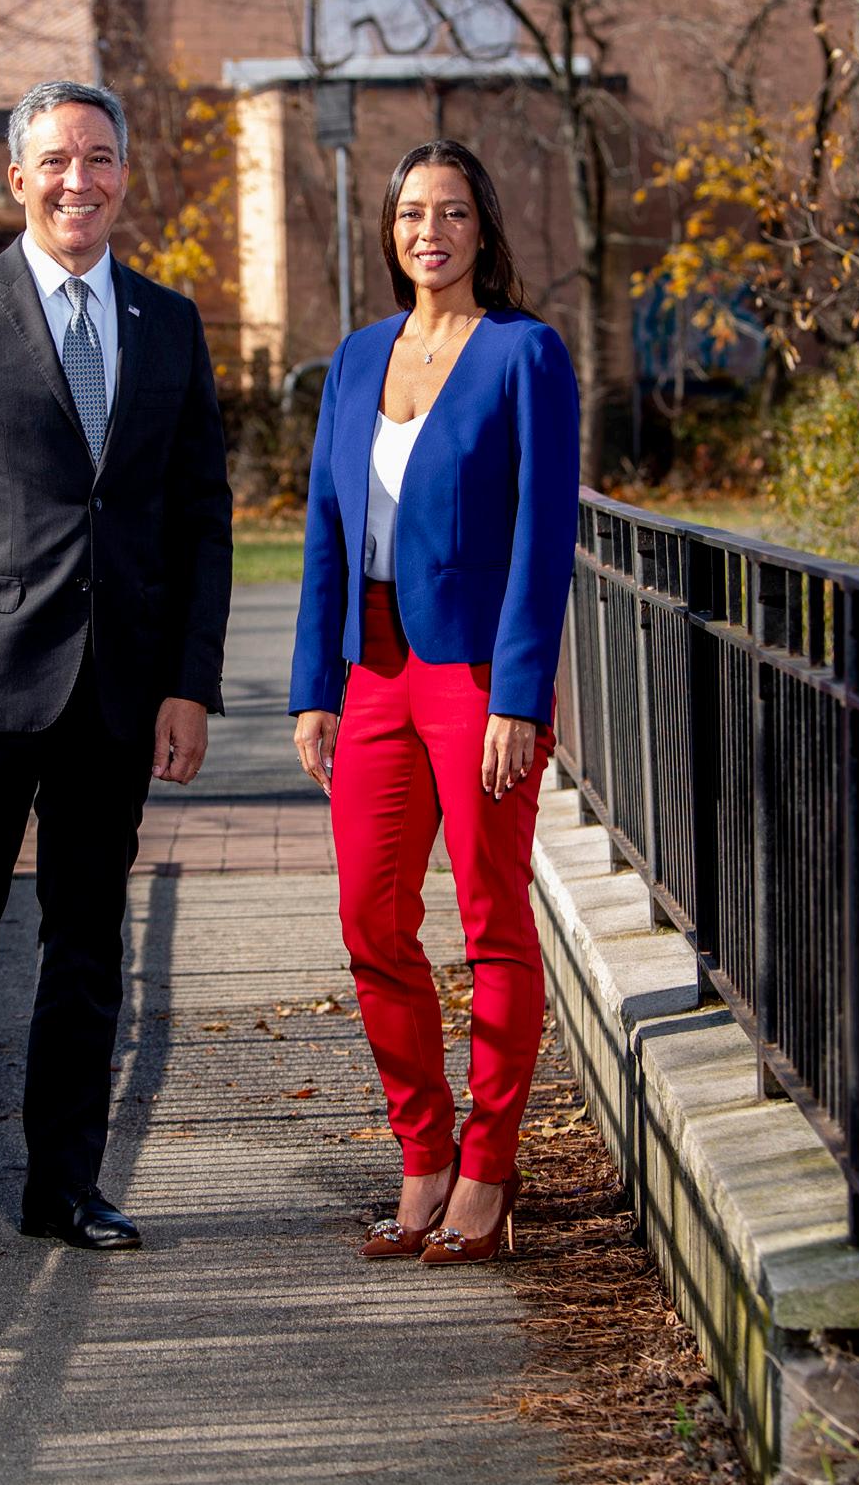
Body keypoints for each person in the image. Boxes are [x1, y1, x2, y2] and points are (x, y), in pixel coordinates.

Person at [0, 79, 233, 1263]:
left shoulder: (169, 322)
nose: (80, 178)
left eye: (100, 157)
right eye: (56, 159)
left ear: (126, 173)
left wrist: (190, 682)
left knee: (86, 946)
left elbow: (199, 518)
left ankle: (64, 1188)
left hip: (121, 692)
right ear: (17, 179)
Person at [289, 140, 579, 1264]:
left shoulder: (523, 354)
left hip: (470, 676)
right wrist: (316, 682)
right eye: (413, 213)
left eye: (453, 212)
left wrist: (519, 692)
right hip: (369, 672)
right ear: (390, 230)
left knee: (494, 921)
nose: (431, 232)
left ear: (482, 230)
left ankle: (488, 1175)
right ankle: (421, 1153)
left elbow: (543, 535)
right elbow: (324, 526)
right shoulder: (358, 358)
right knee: (370, 915)